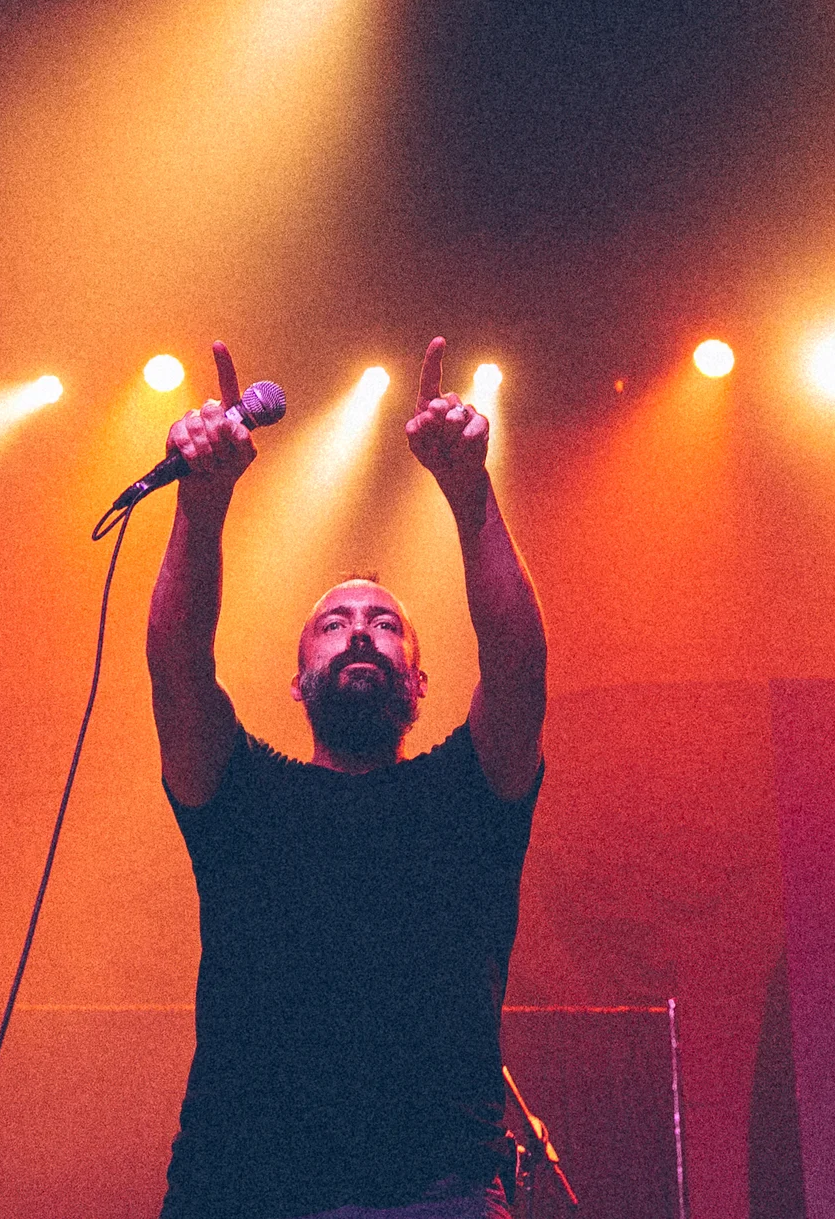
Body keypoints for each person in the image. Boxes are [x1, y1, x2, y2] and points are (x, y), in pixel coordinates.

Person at [147, 337, 548, 1219]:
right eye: (333, 624)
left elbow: (519, 669)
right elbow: (178, 670)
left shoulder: (466, 796)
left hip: (435, 1191)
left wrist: (470, 491)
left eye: (384, 625)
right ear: (297, 681)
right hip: (235, 1187)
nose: (360, 631)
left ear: (418, 679)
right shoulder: (243, 797)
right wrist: (201, 508)